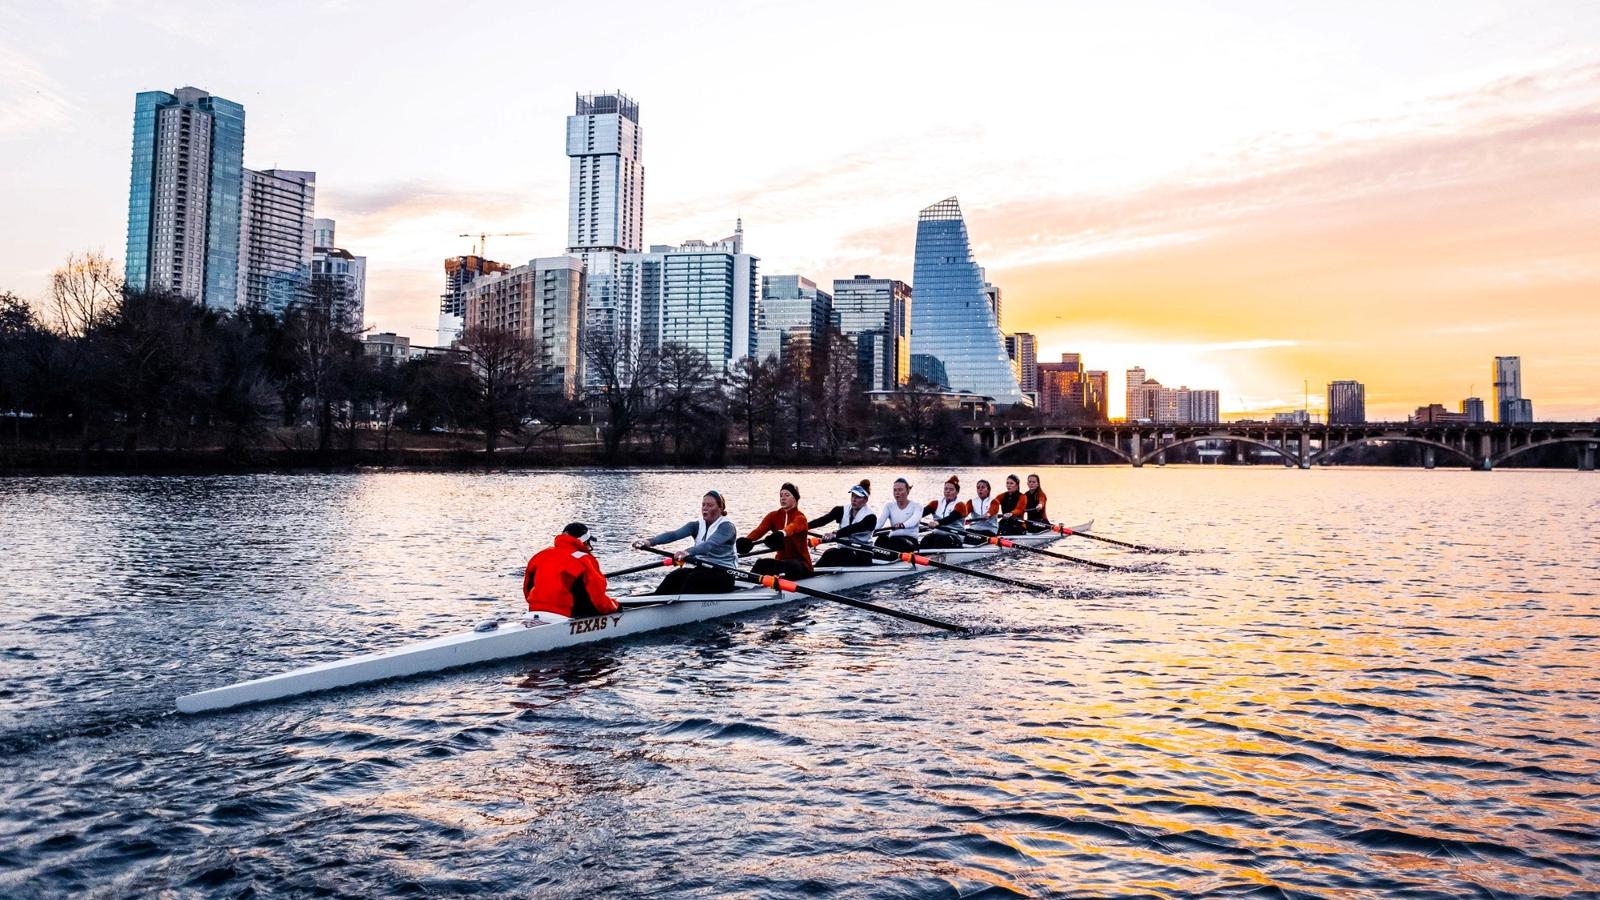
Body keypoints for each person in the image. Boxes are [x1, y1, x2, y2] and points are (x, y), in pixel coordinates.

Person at [634, 491, 739, 595]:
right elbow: (673, 535)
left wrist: (686, 552)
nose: (705, 508)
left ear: (720, 508)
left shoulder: (727, 527)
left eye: (710, 505)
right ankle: (654, 602)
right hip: (702, 569)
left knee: (694, 578)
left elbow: (709, 545)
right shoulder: (696, 525)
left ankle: (679, 605)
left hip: (724, 575)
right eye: (703, 505)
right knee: (675, 576)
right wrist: (649, 541)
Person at [522, 522, 619, 622]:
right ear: (584, 542)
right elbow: (599, 600)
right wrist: (615, 606)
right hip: (564, 616)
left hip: (534, 612)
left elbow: (527, 590)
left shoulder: (540, 555)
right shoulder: (584, 559)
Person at [739, 482, 813, 579]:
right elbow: (759, 530)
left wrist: (781, 533)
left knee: (789, 565)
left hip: (802, 564)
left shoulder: (800, 518)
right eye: (781, 495)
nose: (783, 498)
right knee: (761, 563)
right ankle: (746, 585)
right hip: (781, 562)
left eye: (787, 495)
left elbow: (792, 527)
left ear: (795, 499)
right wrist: (748, 540)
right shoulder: (773, 516)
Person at [810, 480, 877, 567]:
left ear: (865, 500)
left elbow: (853, 528)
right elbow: (822, 520)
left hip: (862, 554)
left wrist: (834, 534)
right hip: (844, 551)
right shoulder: (840, 510)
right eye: (853, 496)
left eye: (858, 497)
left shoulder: (870, 518)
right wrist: (803, 526)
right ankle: (811, 574)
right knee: (829, 553)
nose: (854, 499)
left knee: (841, 554)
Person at [916, 475, 970, 549]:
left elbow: (951, 518)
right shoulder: (935, 503)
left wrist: (937, 523)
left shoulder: (961, 505)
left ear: (957, 492)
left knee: (941, 540)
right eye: (946, 489)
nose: (948, 491)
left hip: (955, 536)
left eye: (951, 489)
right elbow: (919, 514)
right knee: (926, 540)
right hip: (937, 534)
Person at [876, 477, 922, 554]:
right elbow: (880, 522)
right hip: (893, 539)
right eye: (895, 490)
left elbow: (913, 521)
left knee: (896, 541)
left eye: (900, 490)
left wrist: (902, 525)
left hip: (910, 541)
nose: (897, 493)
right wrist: (868, 530)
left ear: (908, 491)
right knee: (881, 538)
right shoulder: (889, 506)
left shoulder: (917, 506)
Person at [964, 478, 1003, 543]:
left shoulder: (994, 502)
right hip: (974, 529)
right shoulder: (971, 502)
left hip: (990, 529)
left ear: (988, 490)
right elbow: (964, 513)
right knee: (965, 533)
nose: (980, 489)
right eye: (978, 487)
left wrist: (988, 514)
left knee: (975, 538)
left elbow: (993, 510)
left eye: (983, 487)